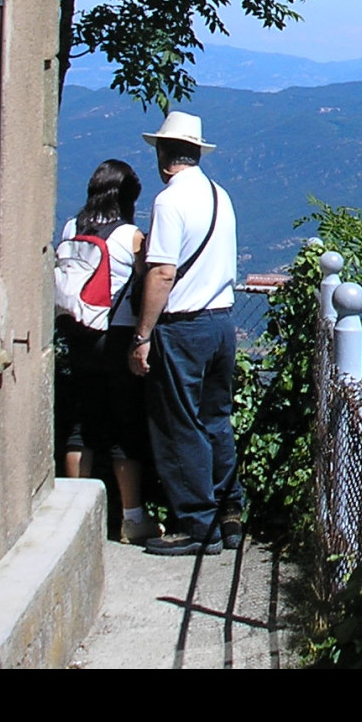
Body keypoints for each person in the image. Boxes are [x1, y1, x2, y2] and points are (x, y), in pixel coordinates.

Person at [128, 112, 243, 556]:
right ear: (196, 152)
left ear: (163, 155)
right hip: (221, 322)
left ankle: (197, 524)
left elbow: (162, 273)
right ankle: (228, 512)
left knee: (179, 423)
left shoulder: (168, 201)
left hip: (183, 327)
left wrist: (142, 336)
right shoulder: (220, 195)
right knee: (216, 418)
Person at [57, 159, 159, 545]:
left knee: (81, 426)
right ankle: (132, 518)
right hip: (115, 337)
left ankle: (70, 519)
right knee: (124, 426)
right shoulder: (131, 236)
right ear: (127, 196)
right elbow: (147, 279)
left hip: (78, 333)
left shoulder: (72, 227)